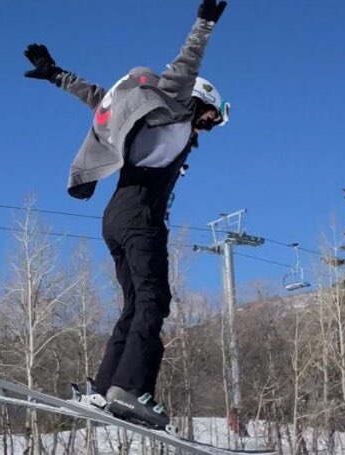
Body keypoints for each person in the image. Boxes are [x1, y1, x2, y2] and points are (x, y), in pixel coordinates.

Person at [23, 0, 229, 429]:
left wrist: (57, 74)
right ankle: (132, 390)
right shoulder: (175, 107)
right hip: (139, 219)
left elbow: (99, 98)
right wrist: (205, 23)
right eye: (209, 120)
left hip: (114, 217)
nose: (204, 131)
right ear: (199, 103)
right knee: (154, 301)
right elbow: (186, 64)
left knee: (134, 305)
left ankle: (103, 390)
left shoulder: (139, 115)